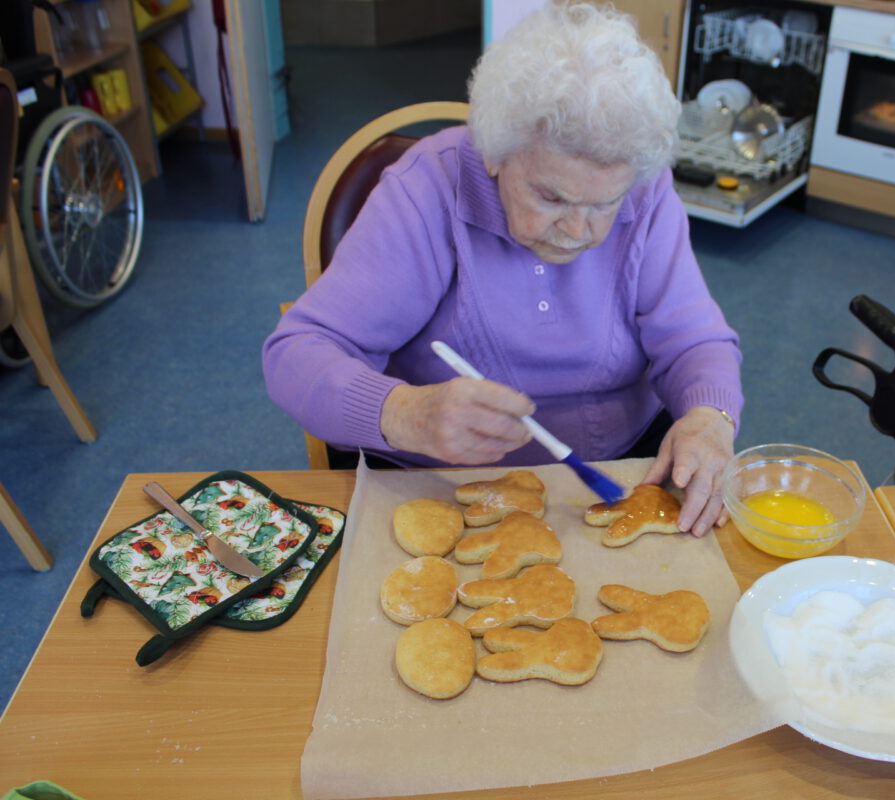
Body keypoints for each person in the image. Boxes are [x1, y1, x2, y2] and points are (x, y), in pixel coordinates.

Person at [262, 2, 743, 536]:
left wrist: (709, 418)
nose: (583, 232)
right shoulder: (426, 192)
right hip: (451, 496)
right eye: (551, 196)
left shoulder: (645, 185)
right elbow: (296, 355)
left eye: (606, 203)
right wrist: (406, 414)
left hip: (627, 473)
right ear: (493, 152)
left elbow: (696, 341)